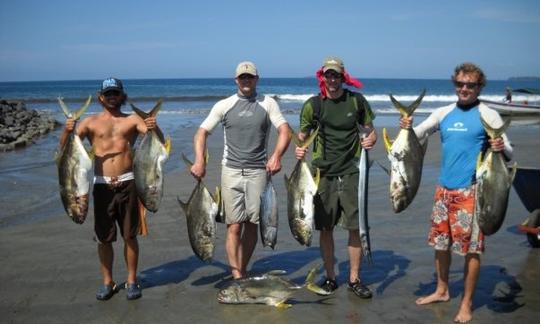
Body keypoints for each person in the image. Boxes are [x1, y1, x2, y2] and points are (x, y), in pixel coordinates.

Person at [400, 63, 513, 323]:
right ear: (455, 85)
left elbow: (509, 152)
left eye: (470, 85)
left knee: (472, 250)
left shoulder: (489, 115)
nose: (464, 89)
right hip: (443, 190)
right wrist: (407, 126)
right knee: (440, 246)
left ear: (479, 87)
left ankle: (466, 303)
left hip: (474, 192)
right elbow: (418, 134)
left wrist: (499, 146)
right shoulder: (444, 112)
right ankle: (441, 290)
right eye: (460, 84)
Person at [59, 78, 164, 301]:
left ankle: (132, 281)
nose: (112, 96)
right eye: (108, 93)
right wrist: (67, 131)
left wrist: (155, 125)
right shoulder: (89, 123)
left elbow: (158, 143)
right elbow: (64, 152)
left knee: (130, 236)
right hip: (101, 185)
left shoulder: (133, 120)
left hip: (129, 183)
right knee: (104, 238)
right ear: (100, 97)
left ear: (122, 95)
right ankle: (108, 282)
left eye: (115, 92)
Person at [189, 61, 291, 279]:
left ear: (257, 79)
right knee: (234, 226)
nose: (246, 80)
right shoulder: (224, 105)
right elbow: (201, 133)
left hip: (258, 172)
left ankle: (242, 268)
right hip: (231, 172)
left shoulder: (268, 103)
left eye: (250, 77)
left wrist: (276, 156)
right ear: (236, 80)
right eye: (242, 77)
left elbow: (284, 131)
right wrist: (199, 160)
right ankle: (237, 277)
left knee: (253, 225)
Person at [295, 57, 377, 298]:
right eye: (328, 75)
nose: (332, 80)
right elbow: (301, 137)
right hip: (322, 174)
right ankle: (331, 277)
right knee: (326, 229)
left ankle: (354, 279)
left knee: (355, 228)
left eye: (336, 75)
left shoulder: (356, 101)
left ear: (343, 77)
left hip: (353, 172)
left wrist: (370, 138)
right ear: (323, 77)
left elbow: (369, 129)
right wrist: (299, 149)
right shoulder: (313, 105)